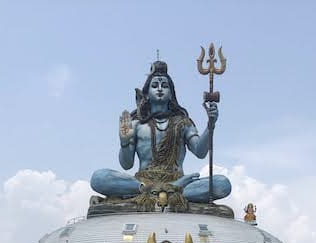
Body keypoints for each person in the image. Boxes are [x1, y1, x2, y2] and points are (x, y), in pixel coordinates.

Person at [90, 60, 231, 204]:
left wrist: (210, 125)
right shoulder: (137, 124)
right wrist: (124, 143)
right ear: (147, 93)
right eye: (154, 85)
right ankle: (167, 190)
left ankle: (157, 191)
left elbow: (200, 152)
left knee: (222, 184)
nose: (159, 89)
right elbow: (127, 164)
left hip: (177, 179)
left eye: (164, 86)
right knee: (99, 178)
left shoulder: (182, 123)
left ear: (171, 94)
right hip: (142, 182)